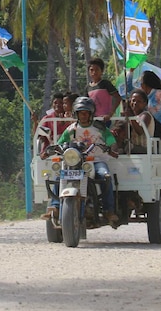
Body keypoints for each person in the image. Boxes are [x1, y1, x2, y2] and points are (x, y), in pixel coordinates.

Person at [57, 96, 120, 227]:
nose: (83, 115)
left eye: (86, 112)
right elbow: (60, 144)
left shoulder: (100, 128)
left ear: (91, 114)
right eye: (81, 112)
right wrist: (55, 150)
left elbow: (111, 142)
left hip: (97, 161)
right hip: (76, 163)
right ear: (76, 114)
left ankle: (109, 210)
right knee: (59, 176)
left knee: (105, 176)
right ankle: (55, 207)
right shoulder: (71, 129)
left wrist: (113, 149)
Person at [86, 58, 122, 122]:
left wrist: (110, 114)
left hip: (106, 119)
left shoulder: (105, 84)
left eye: (97, 69)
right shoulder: (88, 87)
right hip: (93, 120)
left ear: (102, 71)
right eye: (91, 70)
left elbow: (117, 98)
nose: (94, 72)